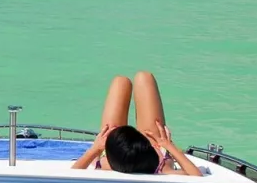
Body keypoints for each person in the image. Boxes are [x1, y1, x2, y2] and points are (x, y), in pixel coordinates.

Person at [72, 71, 202, 176]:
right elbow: (197, 176)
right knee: (144, 77)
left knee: (121, 82)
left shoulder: (106, 166)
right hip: (156, 149)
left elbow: (72, 173)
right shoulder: (163, 170)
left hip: (131, 151)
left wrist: (95, 149)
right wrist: (169, 146)